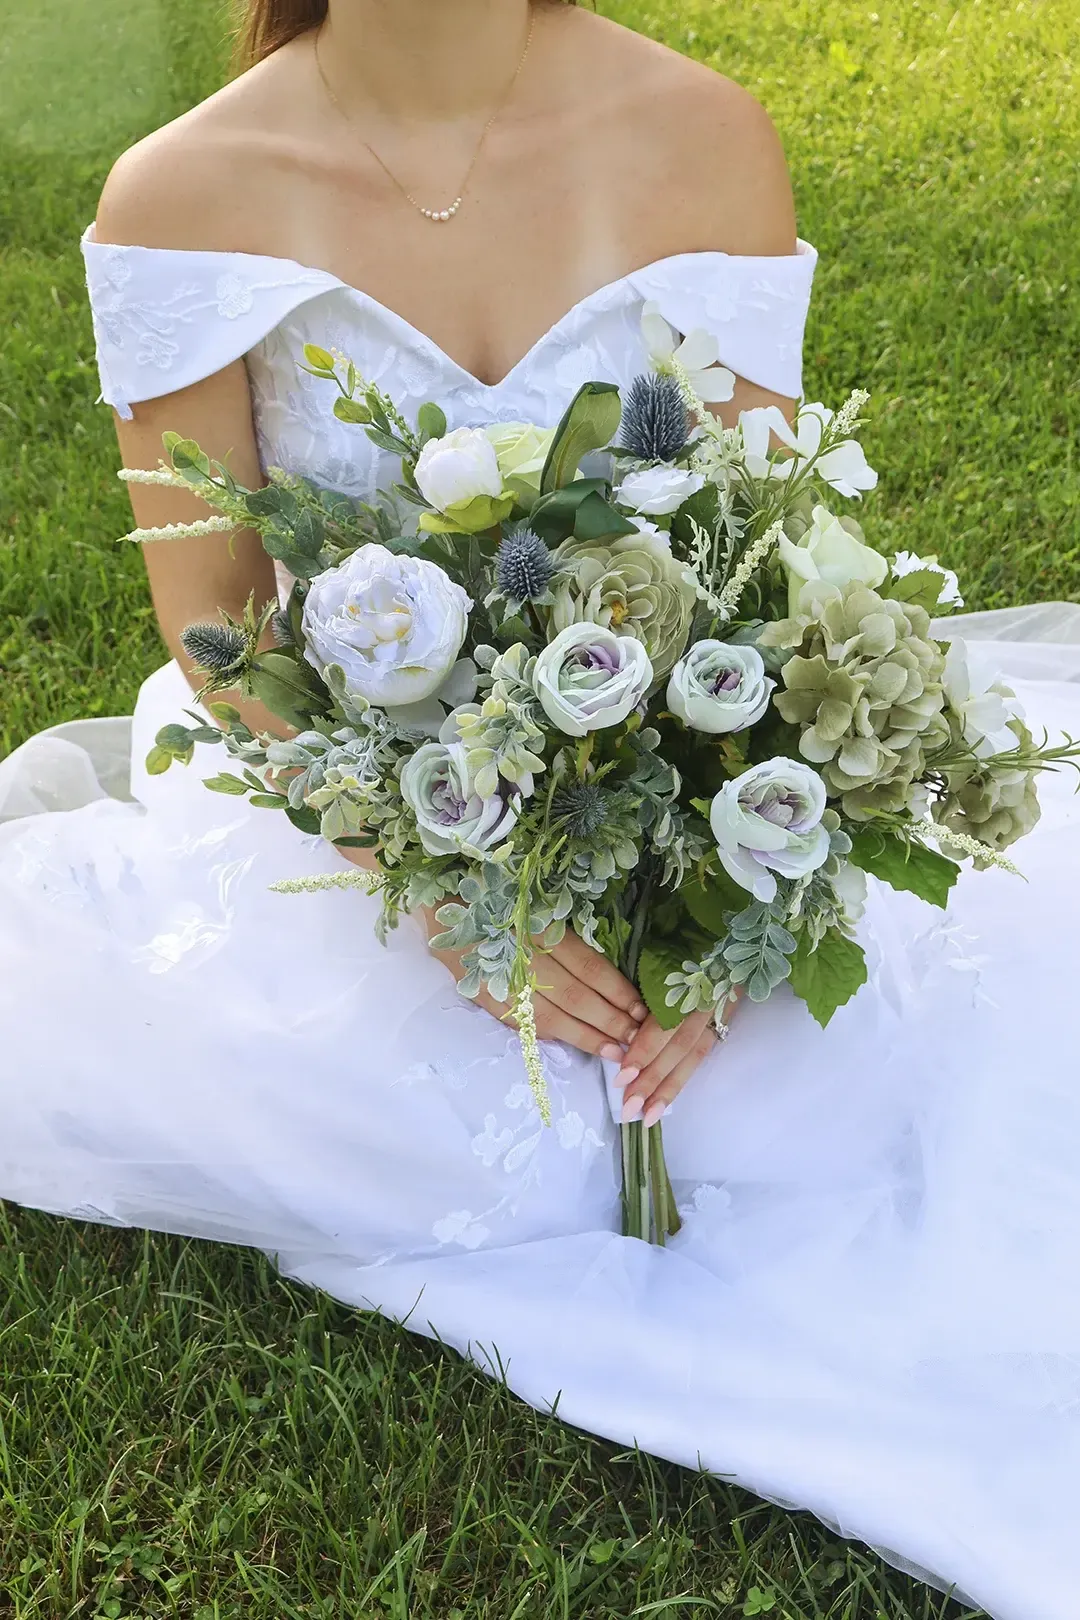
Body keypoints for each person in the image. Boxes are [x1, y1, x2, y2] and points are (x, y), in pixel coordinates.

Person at [1, 4, 1078, 1615]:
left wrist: (736, 902)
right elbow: (222, 636)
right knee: (475, 1123)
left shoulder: (707, 131)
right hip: (350, 798)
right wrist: (440, 889)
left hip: (677, 772)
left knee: (899, 1077)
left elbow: (760, 571)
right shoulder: (179, 196)